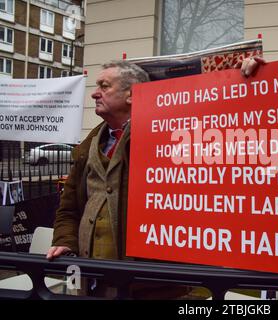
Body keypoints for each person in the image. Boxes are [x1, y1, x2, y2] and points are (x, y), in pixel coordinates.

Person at [46, 57, 265, 298]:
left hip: (150, 286)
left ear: (132, 94)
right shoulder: (85, 149)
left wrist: (252, 83)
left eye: (104, 86)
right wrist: (66, 241)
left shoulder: (167, 136)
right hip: (91, 282)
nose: (95, 94)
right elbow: (68, 209)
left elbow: (230, 135)